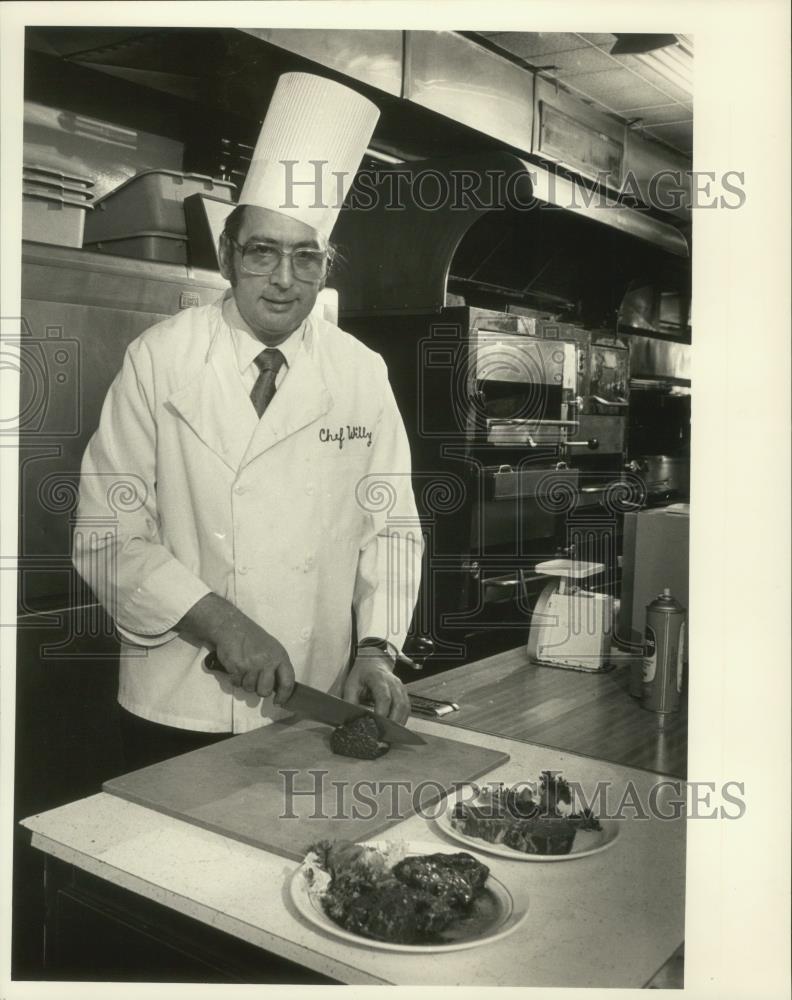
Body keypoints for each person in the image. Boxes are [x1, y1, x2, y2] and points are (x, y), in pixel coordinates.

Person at [72, 73, 422, 769]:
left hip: (312, 695)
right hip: (177, 699)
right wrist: (217, 619)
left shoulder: (360, 372)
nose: (284, 279)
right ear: (229, 254)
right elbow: (106, 532)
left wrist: (377, 650)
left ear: (325, 267)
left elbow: (391, 528)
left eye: (305, 256)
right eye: (263, 251)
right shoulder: (161, 358)